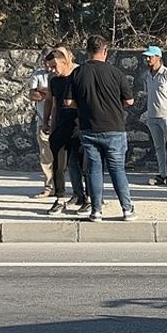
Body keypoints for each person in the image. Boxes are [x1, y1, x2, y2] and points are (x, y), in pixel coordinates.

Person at [70, 34, 136, 222]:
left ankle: (96, 210)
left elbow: (68, 101)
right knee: (117, 170)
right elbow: (129, 100)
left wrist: (85, 106)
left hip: (89, 128)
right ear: (105, 51)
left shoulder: (78, 72)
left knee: (94, 170)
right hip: (114, 127)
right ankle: (127, 209)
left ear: (87, 51)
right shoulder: (115, 72)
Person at [42, 47, 89, 216]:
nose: (52, 70)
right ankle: (60, 198)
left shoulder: (78, 76)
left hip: (79, 125)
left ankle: (89, 198)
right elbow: (54, 104)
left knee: (84, 165)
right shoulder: (54, 81)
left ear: (65, 62)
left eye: (55, 66)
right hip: (61, 125)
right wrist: (50, 125)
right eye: (50, 67)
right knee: (59, 165)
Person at [142, 45, 167, 187]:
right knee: (159, 147)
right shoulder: (147, 75)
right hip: (153, 115)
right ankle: (162, 174)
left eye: (150, 56)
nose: (148, 59)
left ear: (158, 57)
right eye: (147, 57)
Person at [25, 53, 55, 197]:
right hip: (43, 121)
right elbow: (32, 95)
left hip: (60, 122)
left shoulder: (64, 73)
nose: (48, 66)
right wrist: (50, 93)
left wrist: (43, 90)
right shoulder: (38, 74)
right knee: (46, 157)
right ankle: (49, 187)